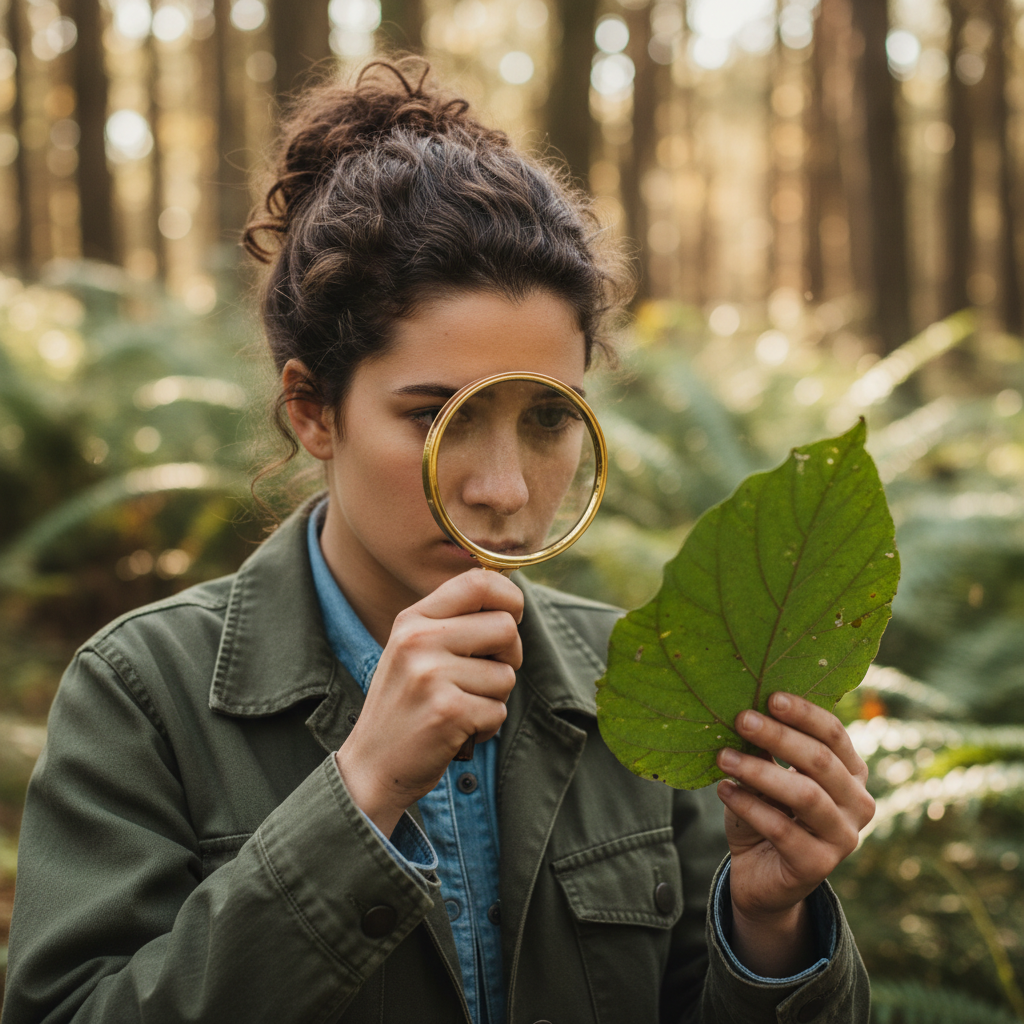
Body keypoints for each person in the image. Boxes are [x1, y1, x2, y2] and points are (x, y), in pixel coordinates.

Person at [2, 59, 874, 1024]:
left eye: (547, 421)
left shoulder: (637, 690)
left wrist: (769, 928)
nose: (502, 490)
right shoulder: (145, 697)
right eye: (437, 417)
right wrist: (359, 794)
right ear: (312, 411)